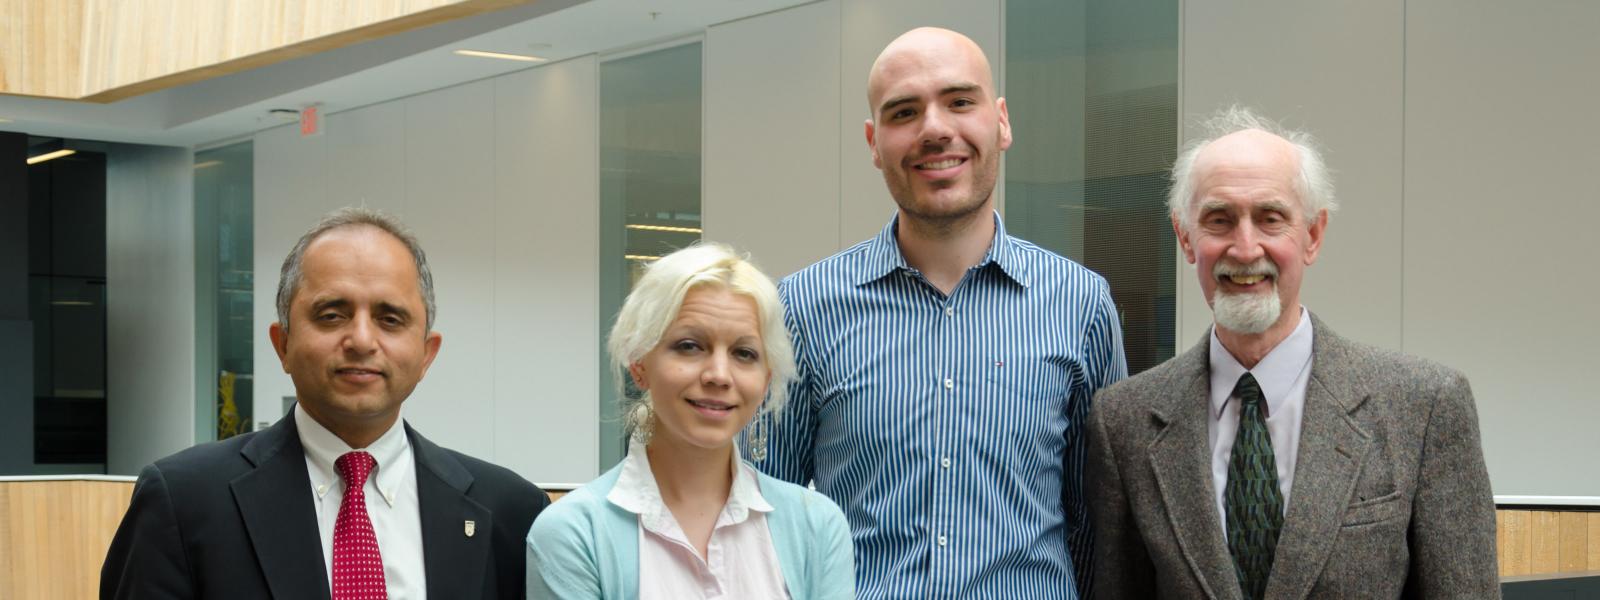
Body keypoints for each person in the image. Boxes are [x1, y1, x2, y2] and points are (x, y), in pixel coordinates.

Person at [752, 27, 1127, 599]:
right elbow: (765, 518)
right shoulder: (802, 307)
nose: (935, 129)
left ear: (1000, 121)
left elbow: (1099, 525)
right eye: (905, 112)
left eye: (959, 101)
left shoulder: (1081, 304)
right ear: (874, 143)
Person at [1086, 106, 1500, 599]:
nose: (1244, 248)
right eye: (1219, 220)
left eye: (1270, 218)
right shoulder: (1124, 421)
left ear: (1313, 235)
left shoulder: (1425, 406)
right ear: (1185, 237)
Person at [102, 208, 551, 599]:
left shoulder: (510, 511)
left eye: (389, 318)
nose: (360, 340)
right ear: (282, 344)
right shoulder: (184, 502)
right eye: (331, 314)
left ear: (426, 354)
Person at [526, 243, 854, 599]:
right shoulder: (575, 533)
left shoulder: (816, 526)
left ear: (765, 380)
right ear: (639, 363)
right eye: (689, 346)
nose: (718, 375)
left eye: (744, 353)